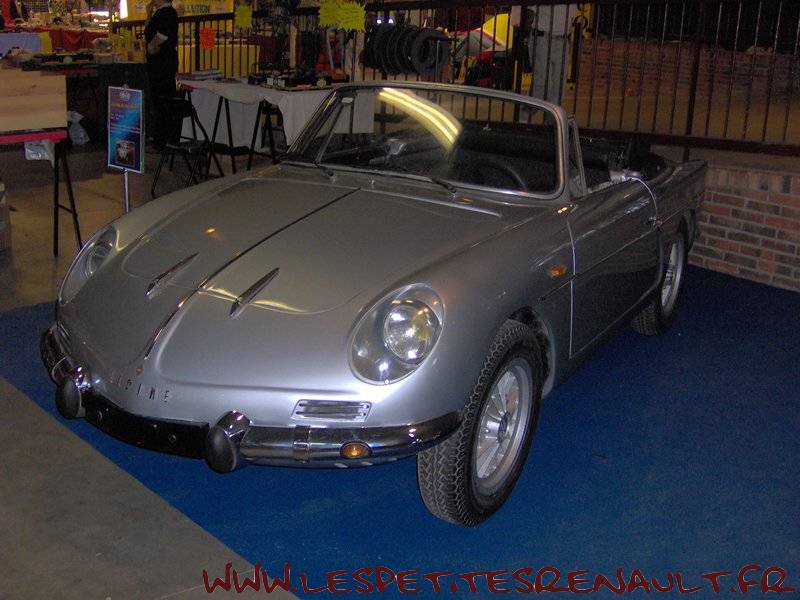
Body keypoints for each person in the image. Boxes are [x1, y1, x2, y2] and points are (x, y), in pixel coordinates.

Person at [144, 0, 179, 149]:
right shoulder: (160, 13)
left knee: (162, 100)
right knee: (159, 100)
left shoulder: (167, 13)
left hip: (163, 64)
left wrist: (151, 46)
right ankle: (161, 139)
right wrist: (148, 14)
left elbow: (162, 35)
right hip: (159, 63)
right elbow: (148, 31)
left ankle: (163, 141)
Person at [527, 4, 577, 105]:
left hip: (562, 38)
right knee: (543, 86)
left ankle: (550, 115)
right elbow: (529, 11)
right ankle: (524, 113)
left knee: (558, 89)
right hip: (543, 36)